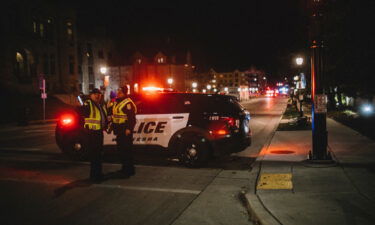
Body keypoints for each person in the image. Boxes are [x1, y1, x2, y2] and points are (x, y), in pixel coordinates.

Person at [81, 88, 107, 183]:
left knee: (99, 154)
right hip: (92, 133)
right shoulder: (89, 103)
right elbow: (83, 112)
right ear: (91, 95)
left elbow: (103, 116)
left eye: (99, 94)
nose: (97, 96)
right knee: (94, 155)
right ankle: (94, 176)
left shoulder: (99, 104)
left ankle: (98, 174)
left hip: (99, 132)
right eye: (95, 94)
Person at [110, 85, 137, 177]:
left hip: (125, 130)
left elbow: (131, 118)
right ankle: (125, 168)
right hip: (119, 130)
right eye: (118, 91)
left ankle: (128, 170)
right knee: (121, 150)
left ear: (124, 93)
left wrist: (129, 128)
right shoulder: (117, 101)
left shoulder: (128, 103)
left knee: (127, 151)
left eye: (120, 91)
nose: (118, 92)